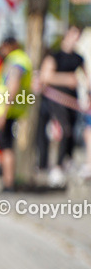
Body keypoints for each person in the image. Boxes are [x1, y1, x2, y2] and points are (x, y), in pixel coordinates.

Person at [35, 25, 85, 188]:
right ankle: (54, 167)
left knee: (70, 131)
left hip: (72, 101)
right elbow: (46, 76)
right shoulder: (54, 56)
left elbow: (85, 77)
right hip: (55, 100)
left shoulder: (79, 58)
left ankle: (65, 162)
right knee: (62, 130)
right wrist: (67, 79)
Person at [0, 37, 33, 192]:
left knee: (6, 147)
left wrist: (3, 112)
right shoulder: (20, 59)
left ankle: (8, 183)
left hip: (8, 111)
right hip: (11, 111)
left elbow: (13, 85)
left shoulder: (16, 60)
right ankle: (8, 181)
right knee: (6, 146)